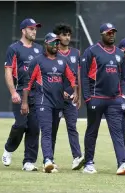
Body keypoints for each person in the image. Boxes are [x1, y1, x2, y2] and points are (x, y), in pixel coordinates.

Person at [80, 23, 125, 175]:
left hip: (114, 100)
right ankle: (89, 163)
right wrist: (87, 98)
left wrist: (123, 96)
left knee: (118, 131)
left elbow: (124, 77)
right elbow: (84, 76)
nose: (111, 35)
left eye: (113, 32)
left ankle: (123, 162)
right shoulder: (91, 51)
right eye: (108, 32)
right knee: (92, 131)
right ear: (102, 34)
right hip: (96, 97)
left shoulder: (119, 53)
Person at [21, 32, 78, 173]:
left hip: (58, 103)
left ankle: (50, 160)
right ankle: (47, 160)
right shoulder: (37, 61)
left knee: (52, 133)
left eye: (57, 42)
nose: (56, 45)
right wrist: (24, 102)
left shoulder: (63, 61)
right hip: (42, 101)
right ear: (46, 44)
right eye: (53, 43)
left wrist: (75, 92)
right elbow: (28, 84)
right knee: (46, 131)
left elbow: (72, 79)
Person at [2, 18, 43, 171]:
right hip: (20, 92)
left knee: (34, 127)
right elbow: (7, 71)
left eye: (35, 29)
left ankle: (29, 162)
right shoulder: (14, 49)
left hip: (36, 94)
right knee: (21, 125)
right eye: (31, 29)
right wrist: (13, 92)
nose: (34, 31)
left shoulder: (39, 49)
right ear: (23, 30)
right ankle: (8, 149)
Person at [52, 23, 84, 170]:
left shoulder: (76, 53)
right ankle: (49, 159)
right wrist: (59, 91)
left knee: (72, 127)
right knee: (52, 129)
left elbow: (78, 75)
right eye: (64, 34)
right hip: (54, 98)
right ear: (57, 37)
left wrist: (78, 93)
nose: (67, 37)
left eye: (69, 35)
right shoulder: (52, 51)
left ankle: (77, 157)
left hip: (71, 97)